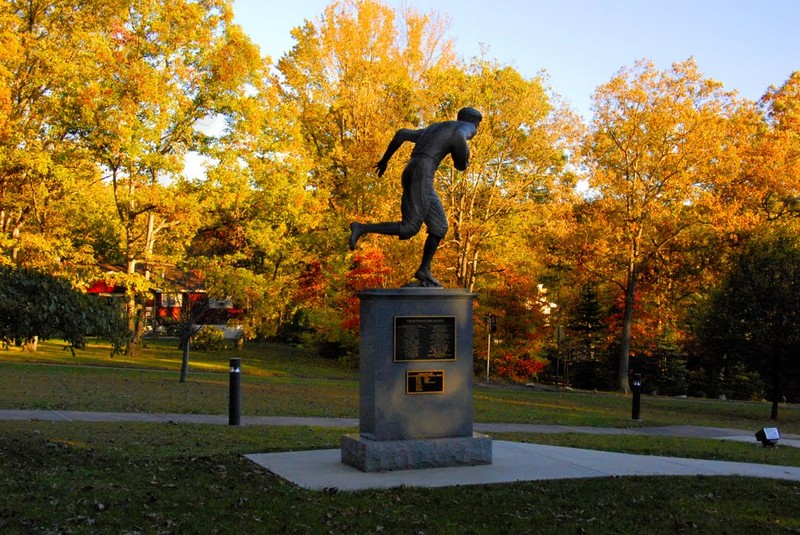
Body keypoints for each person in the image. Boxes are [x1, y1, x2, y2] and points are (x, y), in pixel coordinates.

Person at [348, 107, 482, 287]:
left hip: (415, 169)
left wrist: (385, 160)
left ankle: (424, 269)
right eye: (478, 125)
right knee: (409, 227)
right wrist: (462, 159)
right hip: (423, 170)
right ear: (474, 122)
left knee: (439, 226)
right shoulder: (467, 126)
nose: (476, 129)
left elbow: (402, 134)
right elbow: (460, 137)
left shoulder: (436, 128)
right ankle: (361, 228)